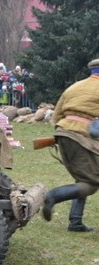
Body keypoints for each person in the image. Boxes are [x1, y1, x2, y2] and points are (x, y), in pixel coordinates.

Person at [42, 58, 99, 232]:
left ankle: (75, 222)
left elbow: (57, 116)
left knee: (84, 178)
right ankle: (53, 196)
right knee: (91, 183)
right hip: (84, 138)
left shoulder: (74, 87)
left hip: (63, 134)